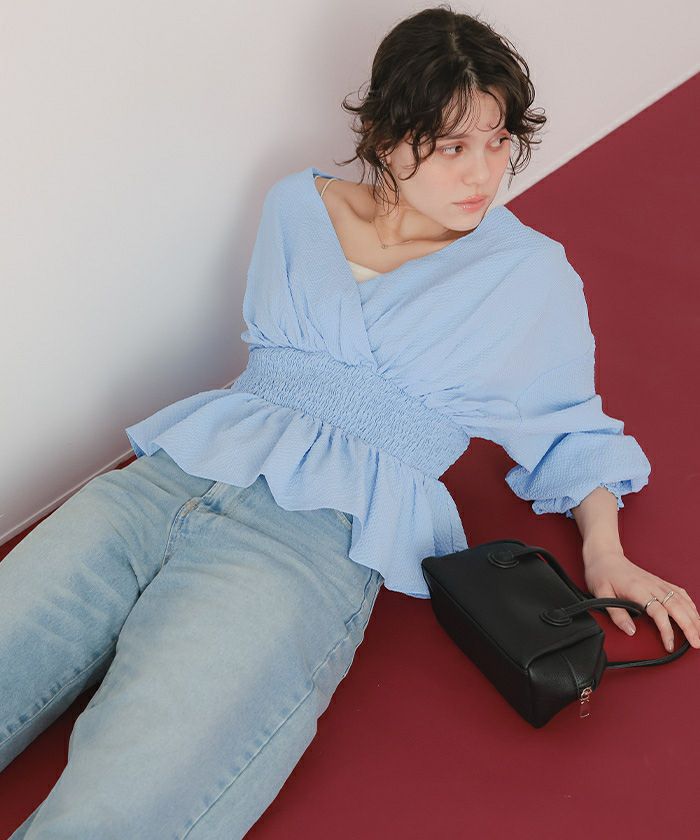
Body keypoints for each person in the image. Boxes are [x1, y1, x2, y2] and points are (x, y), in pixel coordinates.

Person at [2, 4, 699, 838]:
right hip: (160, 484)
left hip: (307, 546)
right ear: (386, 134)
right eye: (452, 146)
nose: (483, 173)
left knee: (125, 799)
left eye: (498, 140)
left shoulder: (528, 277)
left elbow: (569, 431)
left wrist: (604, 552)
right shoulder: (296, 206)